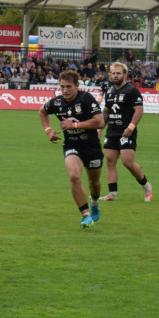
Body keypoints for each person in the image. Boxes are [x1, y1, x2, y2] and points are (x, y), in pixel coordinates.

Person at [39, 70, 105, 228]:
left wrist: (73, 125)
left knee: (94, 183)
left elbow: (100, 122)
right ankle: (85, 215)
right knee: (74, 176)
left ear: (77, 85)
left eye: (68, 86)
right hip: (72, 145)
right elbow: (42, 111)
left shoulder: (86, 99)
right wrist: (48, 131)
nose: (64, 90)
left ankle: (94, 202)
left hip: (91, 146)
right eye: (62, 87)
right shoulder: (57, 102)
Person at [99, 62, 153, 202]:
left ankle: (146, 186)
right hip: (112, 131)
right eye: (113, 73)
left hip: (126, 131)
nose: (115, 75)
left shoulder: (131, 91)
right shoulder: (109, 91)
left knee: (127, 162)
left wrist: (131, 127)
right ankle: (113, 193)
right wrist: (100, 128)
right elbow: (107, 111)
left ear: (125, 75)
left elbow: (139, 110)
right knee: (110, 161)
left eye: (118, 73)